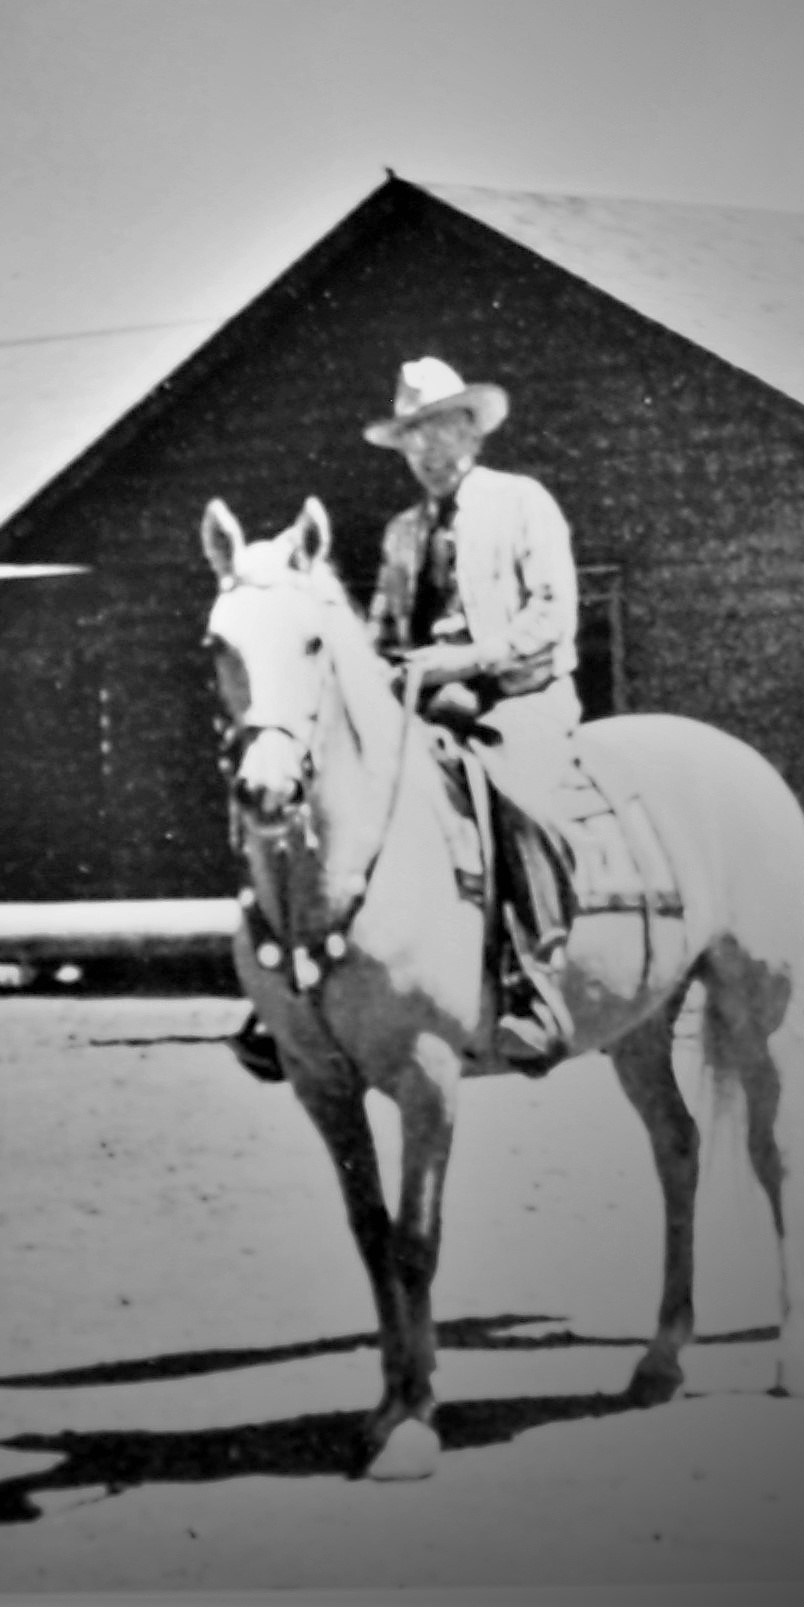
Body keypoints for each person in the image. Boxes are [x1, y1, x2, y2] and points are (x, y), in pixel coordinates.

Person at [231, 354, 583, 1082]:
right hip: (426, 703)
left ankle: (531, 981)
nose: (423, 451)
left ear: (470, 428)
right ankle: (294, 992)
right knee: (337, 794)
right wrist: (385, 664)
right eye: (410, 438)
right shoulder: (400, 533)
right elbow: (388, 629)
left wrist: (464, 660)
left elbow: (551, 616)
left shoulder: (522, 503)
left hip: (519, 695)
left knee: (519, 797)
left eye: (436, 431)